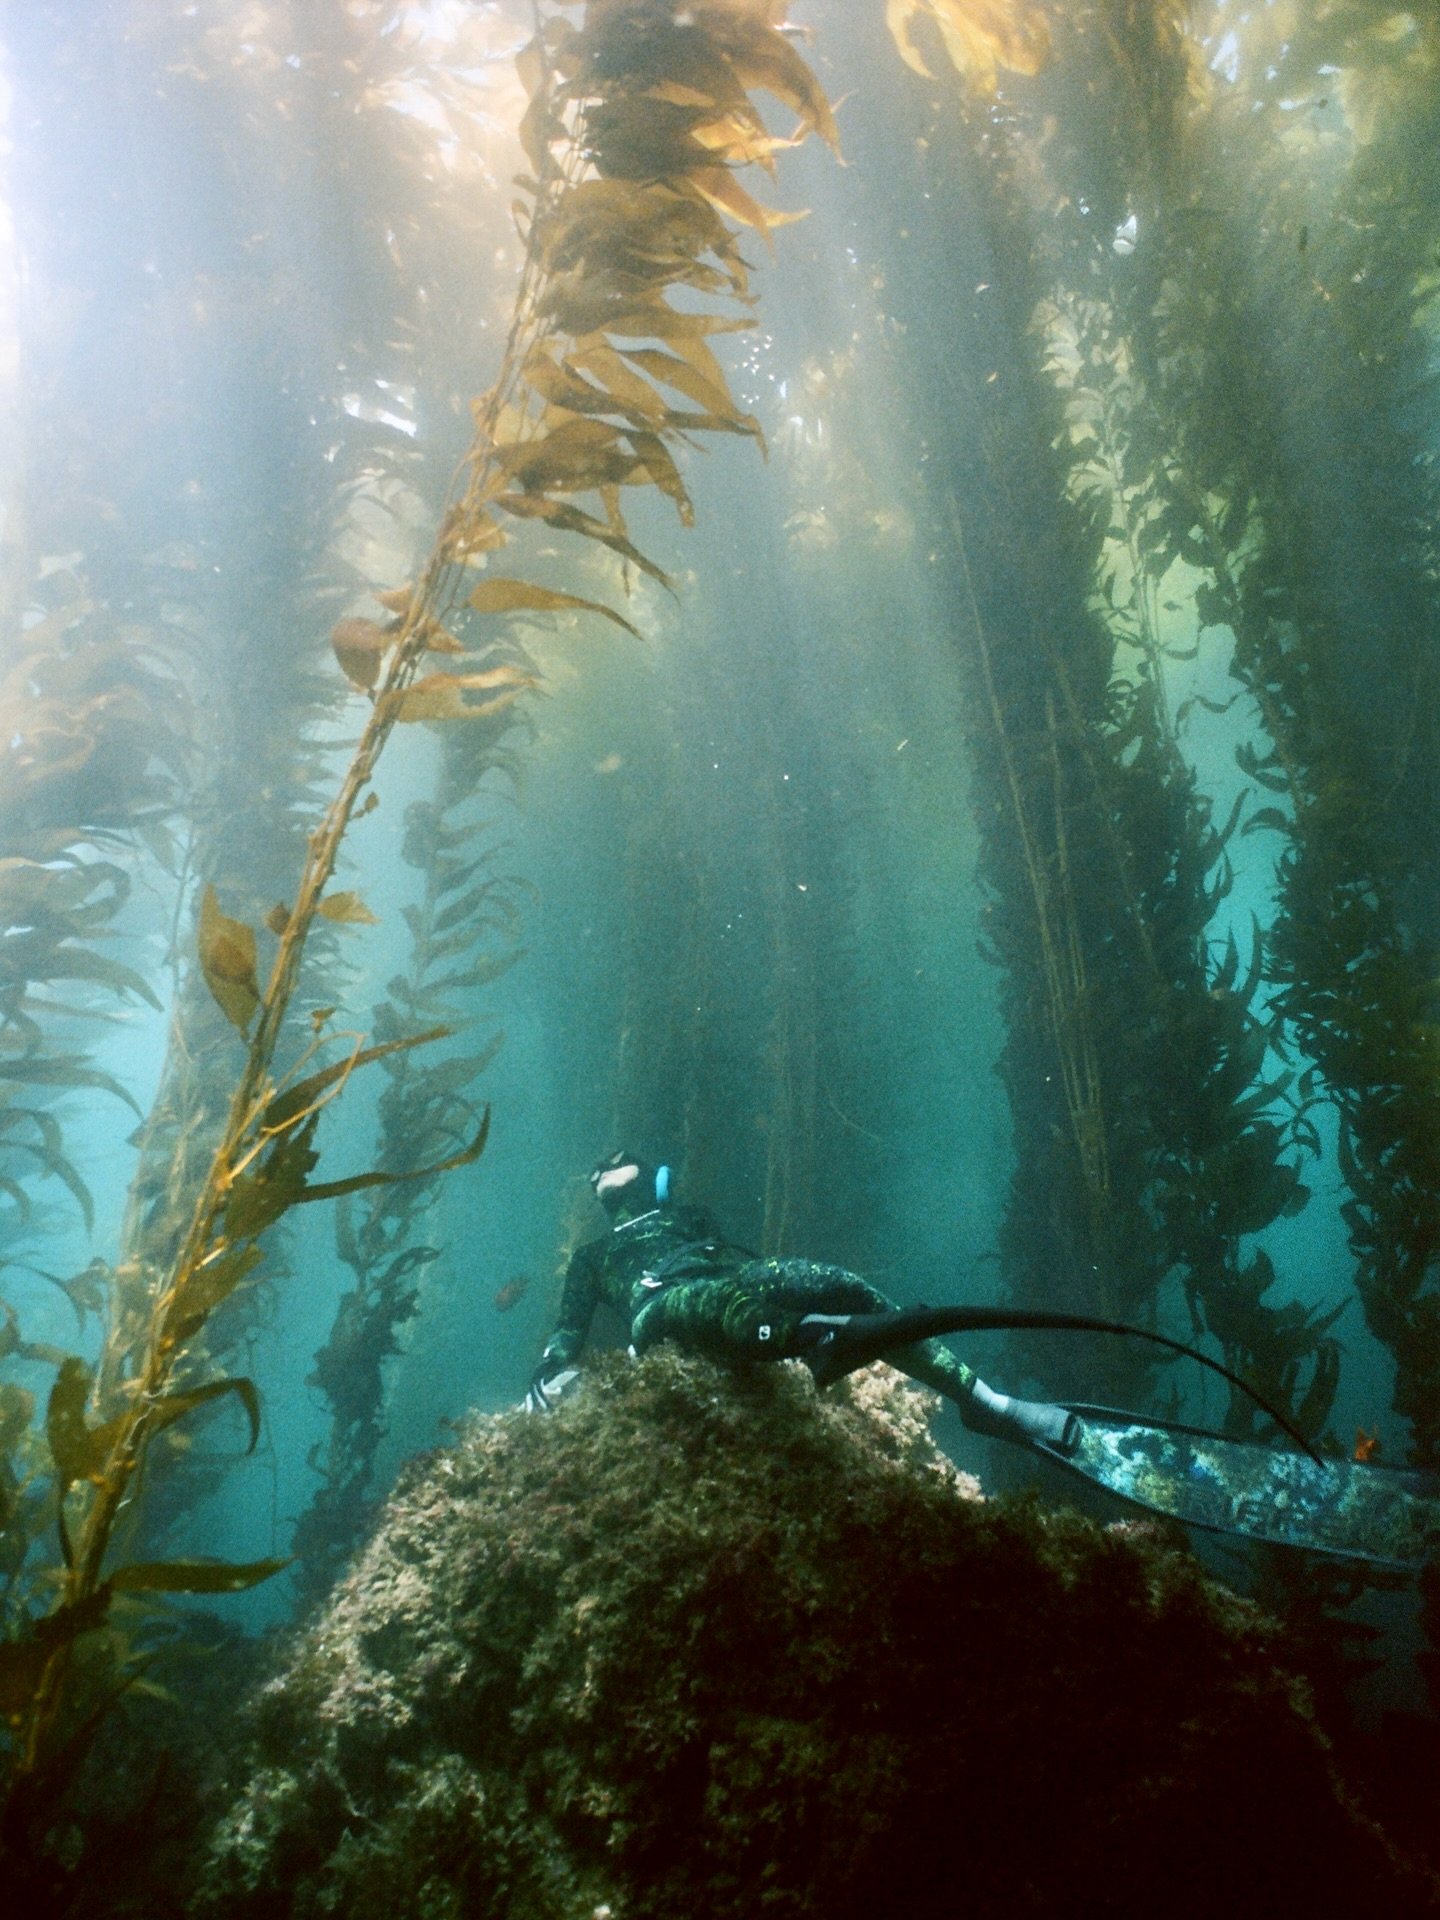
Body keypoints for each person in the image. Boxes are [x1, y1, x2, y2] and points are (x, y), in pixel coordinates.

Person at [526, 1151, 1075, 1449]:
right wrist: (550, 1371)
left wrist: (553, 1363)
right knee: (720, 1307)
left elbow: (568, 1333)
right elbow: (568, 1334)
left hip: (732, 1280)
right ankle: (817, 1336)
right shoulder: (594, 1255)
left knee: (832, 1279)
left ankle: (986, 1404)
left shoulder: (682, 1221)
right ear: (658, 1184)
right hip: (661, 1308)